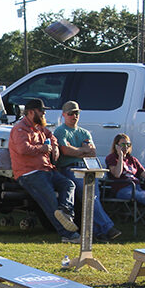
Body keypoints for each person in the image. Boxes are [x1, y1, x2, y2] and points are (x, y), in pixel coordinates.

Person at [8, 98, 80, 243]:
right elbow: (22, 149)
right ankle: (68, 235)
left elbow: (50, 136)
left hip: (47, 169)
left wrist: (54, 146)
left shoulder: (39, 126)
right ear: (30, 112)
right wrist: (42, 148)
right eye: (41, 111)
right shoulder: (20, 129)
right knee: (50, 200)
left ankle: (65, 211)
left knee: (68, 184)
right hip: (29, 173)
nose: (44, 113)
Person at [53, 100, 121, 242]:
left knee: (93, 197)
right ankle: (107, 228)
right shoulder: (61, 131)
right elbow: (65, 150)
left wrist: (77, 150)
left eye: (76, 113)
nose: (74, 116)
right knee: (89, 196)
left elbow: (92, 152)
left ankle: (98, 232)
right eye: (71, 113)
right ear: (64, 114)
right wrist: (83, 150)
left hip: (87, 167)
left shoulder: (84, 132)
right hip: (69, 169)